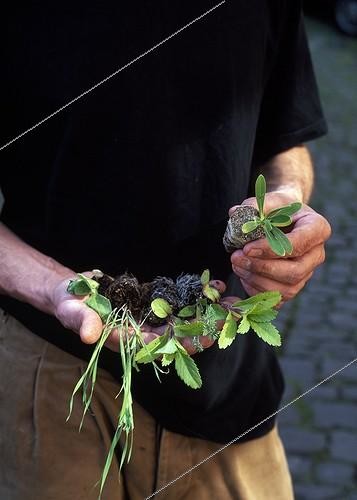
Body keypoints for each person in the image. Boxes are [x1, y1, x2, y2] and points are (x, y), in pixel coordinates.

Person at [0, 1, 331, 499]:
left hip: (225, 365)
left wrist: (286, 202)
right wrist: (52, 287)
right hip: (53, 372)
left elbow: (287, 135)